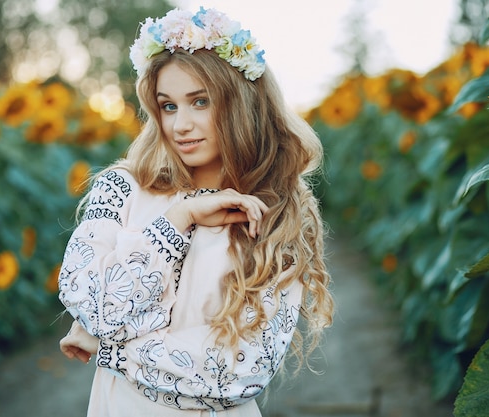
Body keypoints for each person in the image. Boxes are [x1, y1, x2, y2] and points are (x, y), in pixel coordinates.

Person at [57, 7, 334, 416]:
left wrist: (108, 348)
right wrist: (177, 221)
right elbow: (96, 306)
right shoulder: (120, 189)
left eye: (199, 102)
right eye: (168, 106)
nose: (180, 125)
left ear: (240, 102)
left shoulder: (276, 209)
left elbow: (238, 372)